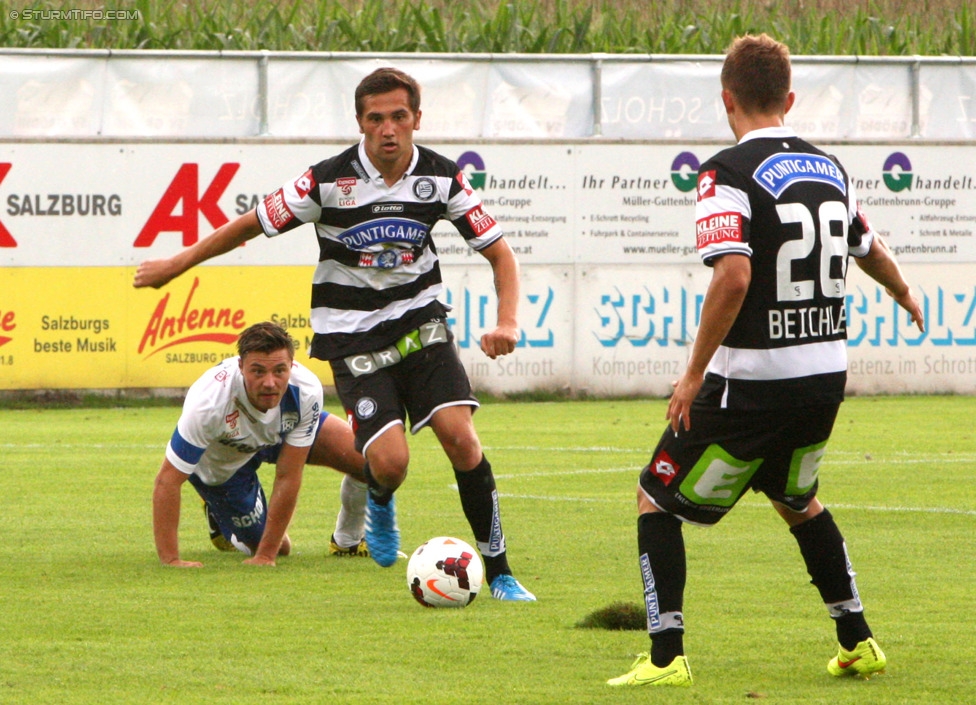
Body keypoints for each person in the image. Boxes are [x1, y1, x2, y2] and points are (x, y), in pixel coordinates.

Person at [135, 68, 535, 600]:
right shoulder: (326, 180)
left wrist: (508, 321)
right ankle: (381, 496)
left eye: (398, 116)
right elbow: (250, 224)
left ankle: (501, 572)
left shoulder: (442, 177)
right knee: (389, 465)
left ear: (417, 118)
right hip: (353, 338)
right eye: (376, 119)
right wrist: (178, 263)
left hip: (421, 325)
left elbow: (500, 253)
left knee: (462, 440)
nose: (388, 129)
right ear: (360, 122)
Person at [608, 34, 925, 687]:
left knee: (654, 499)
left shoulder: (724, 172)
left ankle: (666, 657)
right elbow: (867, 245)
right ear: (789, 98)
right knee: (795, 496)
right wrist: (901, 289)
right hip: (823, 377)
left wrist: (693, 375)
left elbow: (732, 276)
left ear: (726, 99)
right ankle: (857, 638)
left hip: (752, 382)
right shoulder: (829, 167)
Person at [152, 321, 370, 567]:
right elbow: (167, 480)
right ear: (241, 367)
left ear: (292, 365)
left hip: (278, 432)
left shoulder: (305, 389)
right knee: (283, 548)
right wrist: (170, 560)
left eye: (279, 371)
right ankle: (219, 516)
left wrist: (265, 556)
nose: (269, 382)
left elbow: (288, 474)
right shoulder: (209, 402)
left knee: (370, 462)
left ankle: (347, 541)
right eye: (258, 371)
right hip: (224, 465)